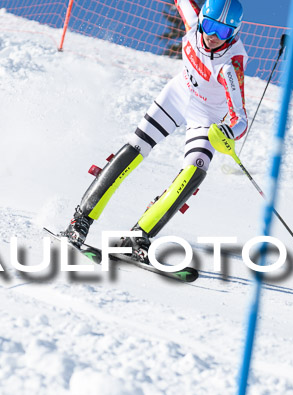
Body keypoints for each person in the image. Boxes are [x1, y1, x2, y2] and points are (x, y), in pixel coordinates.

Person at [60, 0, 248, 263]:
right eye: (210, 26)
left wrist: (230, 131)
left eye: (224, 32)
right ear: (202, 19)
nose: (214, 36)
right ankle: (80, 220)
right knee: (137, 147)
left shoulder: (232, 66)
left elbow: (241, 118)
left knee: (196, 171)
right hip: (178, 95)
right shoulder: (193, 21)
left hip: (206, 117)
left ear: (235, 32)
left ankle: (139, 236)